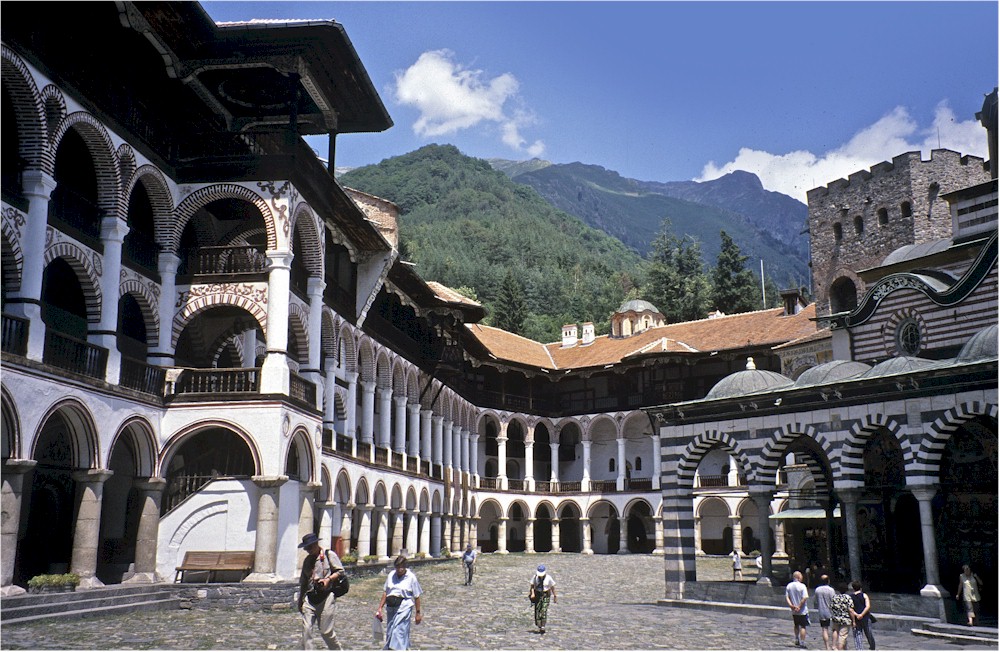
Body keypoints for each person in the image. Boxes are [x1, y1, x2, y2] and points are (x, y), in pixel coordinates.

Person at [297, 533, 346, 650]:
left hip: (326, 597)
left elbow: (341, 572)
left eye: (310, 547)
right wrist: (300, 599)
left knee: (326, 631)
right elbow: (303, 581)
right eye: (306, 548)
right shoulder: (307, 561)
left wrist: (328, 579)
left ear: (316, 544)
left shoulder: (329, 555)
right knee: (306, 630)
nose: (308, 550)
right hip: (310, 598)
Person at [376, 556, 423, 650]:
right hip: (391, 607)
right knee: (390, 632)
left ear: (405, 567)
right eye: (397, 567)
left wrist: (418, 613)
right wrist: (380, 608)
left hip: (404, 607)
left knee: (398, 631)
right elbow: (386, 592)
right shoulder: (391, 575)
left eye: (402, 567)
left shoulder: (411, 577)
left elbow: (416, 596)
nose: (399, 569)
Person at [530, 564, 557, 634]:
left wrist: (555, 596)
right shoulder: (535, 577)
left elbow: (552, 587)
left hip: (546, 595)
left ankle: (543, 626)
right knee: (537, 610)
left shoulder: (548, 578)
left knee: (543, 610)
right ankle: (539, 625)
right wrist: (532, 593)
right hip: (537, 595)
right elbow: (532, 586)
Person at [786, 570, 810, 648]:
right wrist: (799, 606)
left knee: (796, 624)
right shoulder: (802, 586)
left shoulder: (789, 586)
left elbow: (787, 597)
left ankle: (796, 638)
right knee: (803, 626)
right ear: (799, 577)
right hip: (802, 610)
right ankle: (802, 642)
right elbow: (805, 597)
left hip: (794, 610)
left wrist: (791, 606)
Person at [848, 580, 875, 650]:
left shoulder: (850, 597)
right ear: (860, 587)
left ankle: (859, 649)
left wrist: (857, 615)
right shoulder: (864, 595)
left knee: (857, 636)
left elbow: (850, 609)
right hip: (865, 617)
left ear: (853, 588)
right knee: (869, 633)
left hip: (856, 619)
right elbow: (867, 606)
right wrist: (862, 614)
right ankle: (872, 647)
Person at [814, 574, 836, 650]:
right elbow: (834, 601)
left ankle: (827, 647)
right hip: (831, 611)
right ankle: (833, 645)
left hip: (822, 611)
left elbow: (815, 601)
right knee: (834, 629)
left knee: (824, 629)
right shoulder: (831, 590)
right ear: (828, 581)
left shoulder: (817, 590)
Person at [830, 584, 855, 650]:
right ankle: (840, 648)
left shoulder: (835, 597)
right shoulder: (848, 597)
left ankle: (834, 645)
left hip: (836, 617)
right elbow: (850, 609)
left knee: (835, 631)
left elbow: (831, 607)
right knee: (842, 635)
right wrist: (853, 620)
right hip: (845, 619)